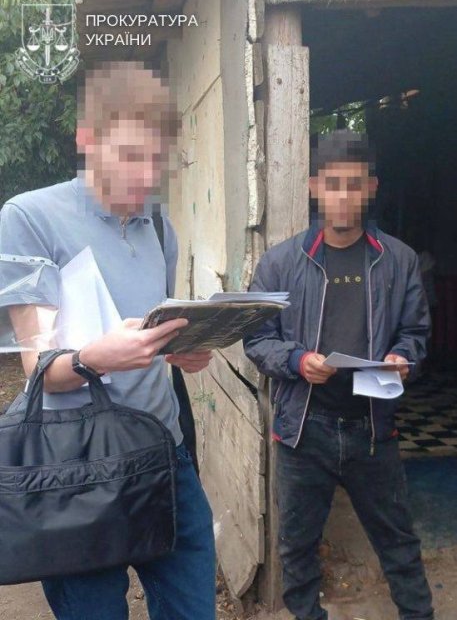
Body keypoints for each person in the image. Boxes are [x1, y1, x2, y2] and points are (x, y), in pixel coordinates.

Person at [0, 61, 216, 620]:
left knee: (193, 610)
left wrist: (179, 351)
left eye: (157, 159)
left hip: (163, 455)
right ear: (87, 139)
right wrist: (97, 358)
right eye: (130, 155)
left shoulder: (158, 226)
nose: (146, 176)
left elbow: (151, 331)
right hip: (77, 469)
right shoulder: (29, 218)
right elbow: (40, 369)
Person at [243, 130, 434, 620]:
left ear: (371, 187)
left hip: (373, 429)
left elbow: (415, 333)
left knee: (398, 544)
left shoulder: (399, 260)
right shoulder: (280, 263)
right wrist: (297, 361)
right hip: (303, 431)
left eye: (354, 184)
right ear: (314, 186)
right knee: (297, 549)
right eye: (333, 184)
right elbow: (257, 339)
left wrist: (402, 358)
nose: (343, 196)